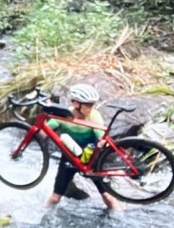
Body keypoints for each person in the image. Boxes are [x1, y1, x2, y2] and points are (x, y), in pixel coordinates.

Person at [43, 84, 120, 213]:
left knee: (109, 198)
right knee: (55, 198)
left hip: (92, 160)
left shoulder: (94, 116)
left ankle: (119, 217)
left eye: (92, 105)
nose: (91, 108)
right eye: (88, 105)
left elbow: (100, 134)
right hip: (69, 159)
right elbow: (43, 131)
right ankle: (41, 214)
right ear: (76, 104)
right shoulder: (64, 115)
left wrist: (103, 142)